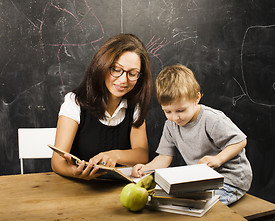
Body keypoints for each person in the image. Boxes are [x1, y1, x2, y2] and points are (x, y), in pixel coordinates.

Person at [132, 64, 252, 205]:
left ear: (196, 98)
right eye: (167, 111)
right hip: (203, 181)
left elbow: (240, 141)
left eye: (180, 110)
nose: (175, 117)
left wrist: (218, 159)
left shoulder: (211, 119)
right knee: (167, 200)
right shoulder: (171, 125)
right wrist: (145, 169)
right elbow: (164, 157)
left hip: (229, 180)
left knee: (199, 206)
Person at [51, 33, 152, 180]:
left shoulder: (134, 105)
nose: (123, 80)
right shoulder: (74, 102)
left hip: (117, 189)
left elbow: (142, 155)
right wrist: (76, 172)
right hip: (78, 188)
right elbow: (57, 162)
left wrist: (115, 155)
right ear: (102, 66)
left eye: (132, 73)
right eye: (116, 70)